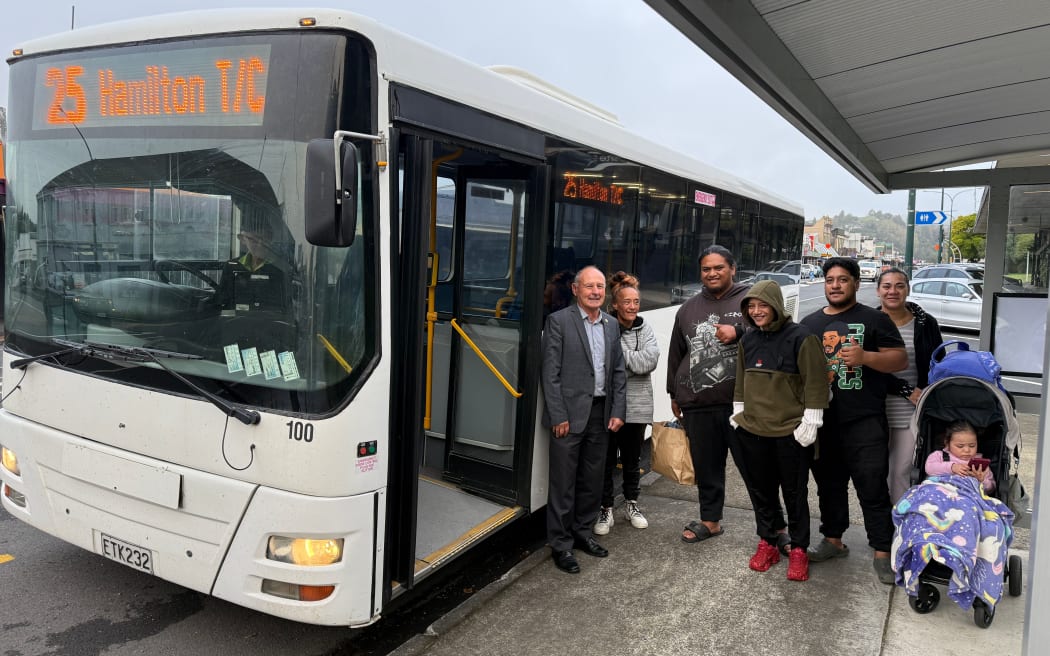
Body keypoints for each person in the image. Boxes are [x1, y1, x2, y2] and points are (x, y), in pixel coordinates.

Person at [668, 245, 786, 544]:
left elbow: (775, 332)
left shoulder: (751, 301)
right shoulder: (688, 308)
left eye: (718, 267)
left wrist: (739, 331)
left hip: (744, 404)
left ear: (732, 268)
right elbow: (676, 353)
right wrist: (674, 392)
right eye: (706, 269)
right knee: (707, 467)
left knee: (757, 469)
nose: (712, 273)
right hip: (697, 402)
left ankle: (775, 528)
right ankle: (710, 520)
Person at [800, 257, 906, 585]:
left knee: (872, 485)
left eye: (843, 279)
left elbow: (899, 359)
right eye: (830, 279)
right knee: (829, 486)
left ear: (856, 283)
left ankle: (882, 552)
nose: (835, 285)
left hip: (865, 419)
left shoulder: (875, 320)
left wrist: (865, 357)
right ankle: (833, 540)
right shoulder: (808, 323)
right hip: (824, 421)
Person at [731, 280, 828, 581]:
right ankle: (769, 541)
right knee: (762, 492)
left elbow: (816, 382)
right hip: (753, 429)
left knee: (794, 492)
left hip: (790, 432)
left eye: (763, 305)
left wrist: (811, 422)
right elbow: (741, 380)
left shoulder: (801, 337)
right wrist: (737, 412)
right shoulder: (748, 339)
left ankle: (798, 549)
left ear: (775, 305)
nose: (757, 311)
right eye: (751, 307)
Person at [541, 265, 627, 574]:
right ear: (576, 290)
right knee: (563, 484)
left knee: (591, 481)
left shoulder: (612, 325)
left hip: (601, 415)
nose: (595, 292)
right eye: (589, 286)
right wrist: (558, 414)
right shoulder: (558, 322)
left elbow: (618, 372)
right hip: (568, 416)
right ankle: (561, 545)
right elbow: (549, 375)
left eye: (600, 287)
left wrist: (618, 411)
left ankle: (582, 533)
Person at [594, 271, 659, 535]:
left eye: (636, 302)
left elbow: (649, 362)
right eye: (627, 302)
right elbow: (603, 367)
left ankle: (632, 504)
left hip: (638, 408)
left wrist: (620, 358)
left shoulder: (646, 329)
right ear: (615, 305)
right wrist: (629, 362)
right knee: (606, 461)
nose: (632, 306)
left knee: (632, 461)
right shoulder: (605, 328)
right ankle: (606, 508)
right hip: (610, 407)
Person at [876, 268, 944, 502]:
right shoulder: (868, 323)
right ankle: (880, 530)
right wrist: (904, 390)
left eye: (899, 286)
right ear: (878, 291)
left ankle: (899, 530)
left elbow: (939, 363)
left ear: (908, 289)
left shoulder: (926, 324)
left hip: (912, 412)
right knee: (875, 473)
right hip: (875, 409)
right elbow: (866, 368)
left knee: (900, 473)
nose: (892, 291)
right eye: (886, 286)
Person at [216, 222, 289, 314]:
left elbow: (287, 307)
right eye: (254, 240)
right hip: (236, 323)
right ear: (242, 239)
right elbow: (223, 302)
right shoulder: (231, 266)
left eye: (265, 239)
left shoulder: (281, 268)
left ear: (271, 239)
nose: (260, 244)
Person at [924, 420, 996, 492]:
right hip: (938, 492)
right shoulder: (939, 456)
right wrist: (951, 467)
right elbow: (929, 468)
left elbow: (991, 488)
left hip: (966, 497)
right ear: (947, 443)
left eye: (972, 446)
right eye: (960, 446)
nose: (967, 450)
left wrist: (981, 480)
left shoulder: (980, 465)